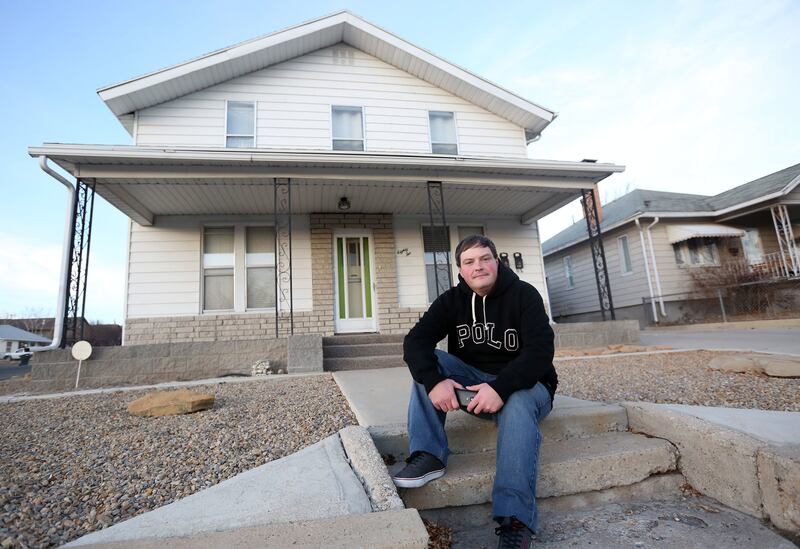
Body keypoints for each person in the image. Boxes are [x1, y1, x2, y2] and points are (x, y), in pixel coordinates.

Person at [393, 234, 556, 548]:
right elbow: (416, 342)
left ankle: (515, 521)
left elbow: (540, 353)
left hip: (530, 387)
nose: (478, 266)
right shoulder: (451, 301)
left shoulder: (524, 295)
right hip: (475, 386)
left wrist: (501, 387)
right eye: (469, 262)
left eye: (485, 259)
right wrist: (435, 381)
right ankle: (428, 455)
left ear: (497, 262)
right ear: (461, 270)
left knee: (519, 400)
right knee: (430, 363)